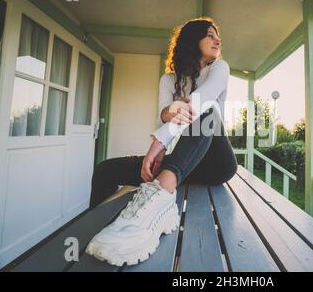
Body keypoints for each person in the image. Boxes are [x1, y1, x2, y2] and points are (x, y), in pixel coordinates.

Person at [85, 17, 238, 266]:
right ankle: (100, 232)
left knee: (206, 111)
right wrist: (167, 117)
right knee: (106, 169)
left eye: (216, 36)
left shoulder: (220, 68)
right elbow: (164, 115)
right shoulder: (168, 80)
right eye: (209, 35)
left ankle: (160, 196)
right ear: (192, 39)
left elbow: (199, 103)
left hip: (217, 163)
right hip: (185, 162)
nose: (217, 40)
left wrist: (158, 144)